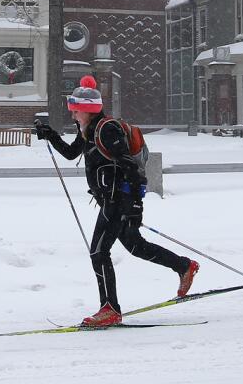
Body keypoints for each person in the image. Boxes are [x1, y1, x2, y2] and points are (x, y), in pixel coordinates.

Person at [35, 75, 199, 327]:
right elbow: (70, 154)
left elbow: (132, 169)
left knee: (99, 252)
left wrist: (135, 206)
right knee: (136, 247)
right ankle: (185, 266)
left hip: (119, 202)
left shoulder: (107, 130)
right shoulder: (88, 130)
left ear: (86, 110)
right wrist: (50, 135)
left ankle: (110, 308)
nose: (73, 115)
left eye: (75, 111)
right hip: (110, 201)